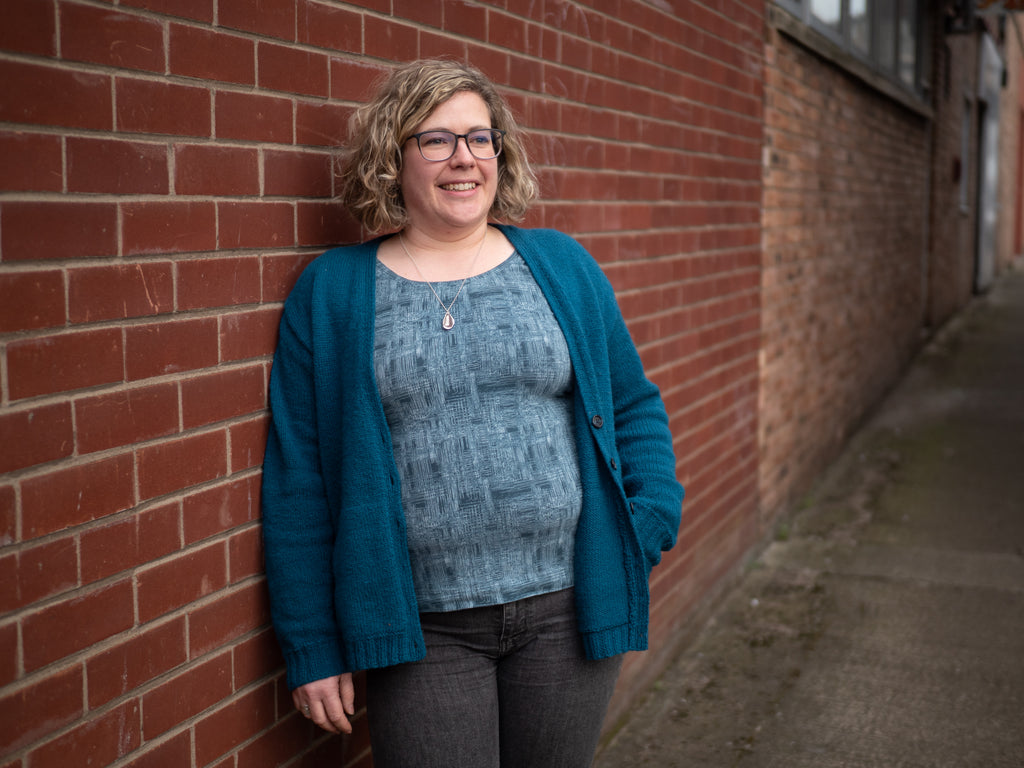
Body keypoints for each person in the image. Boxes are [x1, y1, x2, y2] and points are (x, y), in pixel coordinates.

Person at [261, 58, 685, 768]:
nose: (464, 158)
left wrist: (641, 526)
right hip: (424, 629)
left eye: (480, 138)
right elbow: (299, 481)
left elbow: (634, 405)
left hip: (567, 610)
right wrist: (312, 646)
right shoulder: (332, 292)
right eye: (436, 140)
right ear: (392, 159)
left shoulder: (561, 265)